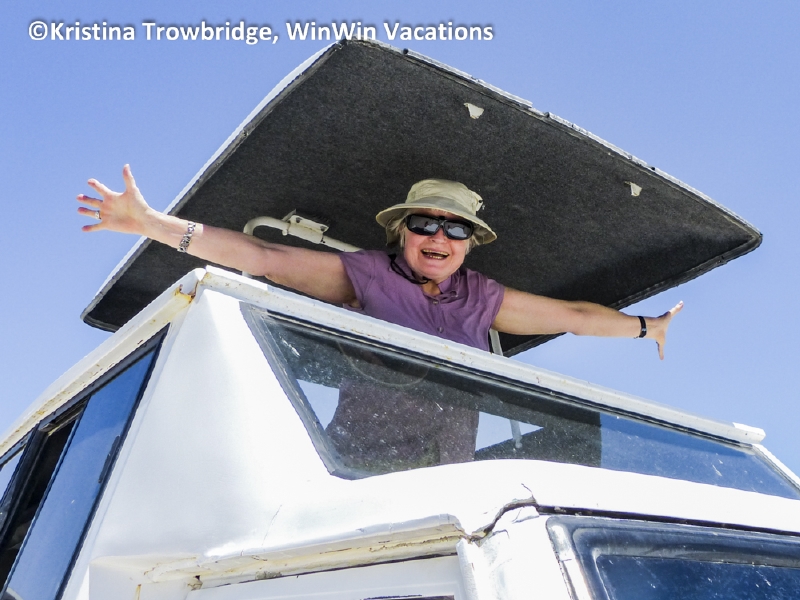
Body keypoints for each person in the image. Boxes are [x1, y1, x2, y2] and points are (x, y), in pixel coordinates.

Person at [77, 165, 682, 358]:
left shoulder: (483, 297)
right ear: (402, 233)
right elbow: (261, 256)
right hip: (362, 457)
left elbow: (575, 316)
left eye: (456, 229)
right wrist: (150, 223)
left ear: (470, 243)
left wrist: (646, 327)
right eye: (424, 224)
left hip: (452, 464)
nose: (438, 236)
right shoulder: (366, 274)